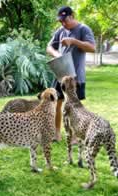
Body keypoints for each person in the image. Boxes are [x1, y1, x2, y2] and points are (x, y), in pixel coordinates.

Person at [46, 6, 96, 142]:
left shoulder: (83, 29)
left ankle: (74, 136)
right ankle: (56, 134)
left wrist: (74, 42)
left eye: (65, 20)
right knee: (56, 103)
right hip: (60, 74)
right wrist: (57, 54)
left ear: (72, 16)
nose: (63, 24)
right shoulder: (61, 31)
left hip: (75, 76)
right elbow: (49, 47)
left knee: (74, 107)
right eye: (60, 21)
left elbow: (92, 48)